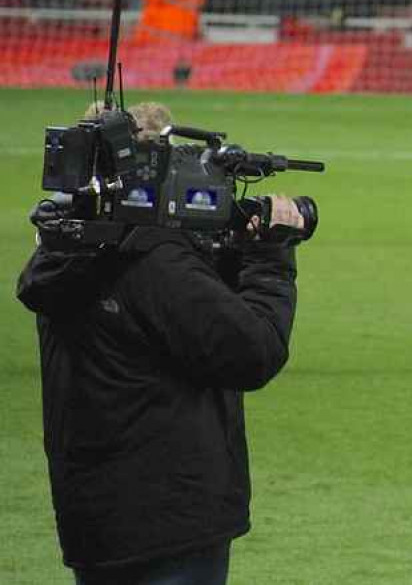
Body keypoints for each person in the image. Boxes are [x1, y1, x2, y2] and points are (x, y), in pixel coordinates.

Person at [16, 107, 308, 583]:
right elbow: (252, 351)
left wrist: (220, 256)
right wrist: (270, 260)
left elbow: (164, 320)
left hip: (95, 516)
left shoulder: (63, 249)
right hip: (172, 516)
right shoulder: (154, 261)